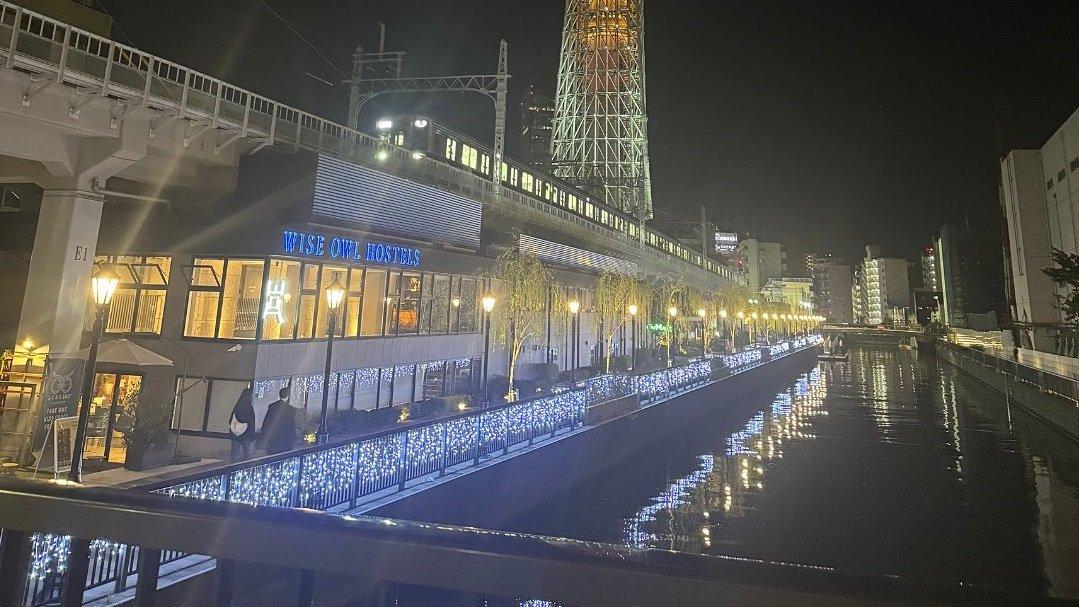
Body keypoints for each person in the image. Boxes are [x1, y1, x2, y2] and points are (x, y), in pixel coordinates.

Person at [259, 387, 296, 455]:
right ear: (288, 396)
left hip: (272, 438)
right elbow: (291, 426)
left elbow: (266, 422)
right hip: (283, 438)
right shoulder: (290, 409)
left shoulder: (272, 406)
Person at [228, 387, 256, 461]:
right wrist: (252, 436)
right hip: (246, 435)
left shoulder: (237, 406)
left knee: (235, 455)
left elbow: (230, 420)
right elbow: (252, 423)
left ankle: (233, 466)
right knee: (246, 455)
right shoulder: (249, 408)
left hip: (235, 434)